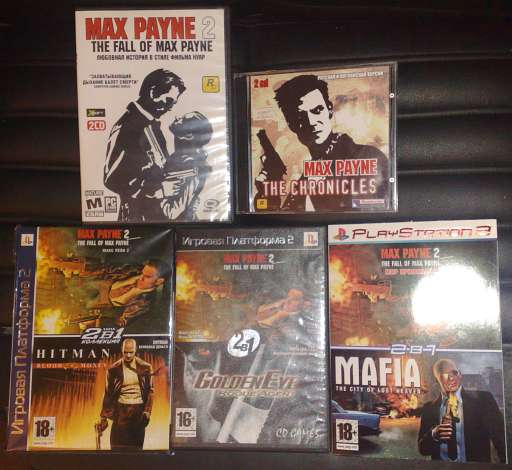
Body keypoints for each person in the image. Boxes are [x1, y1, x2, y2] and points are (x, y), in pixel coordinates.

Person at [256, 74, 389, 211]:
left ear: (329, 110)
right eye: (300, 116)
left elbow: (371, 210)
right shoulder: (306, 176)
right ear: (291, 124)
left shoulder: (367, 156)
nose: (311, 121)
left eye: (317, 110)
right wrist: (267, 192)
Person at [104, 68, 186, 221]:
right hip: (137, 218)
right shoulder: (128, 125)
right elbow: (112, 179)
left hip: (154, 215)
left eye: (173, 103)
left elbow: (158, 165)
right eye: (168, 101)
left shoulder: (152, 124)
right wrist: (155, 186)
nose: (170, 108)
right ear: (153, 92)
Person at [417, 358, 506, 463]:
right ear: (436, 381)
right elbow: (423, 450)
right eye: (444, 375)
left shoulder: (483, 400)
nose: (451, 378)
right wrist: (433, 435)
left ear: (460, 374)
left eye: (454, 373)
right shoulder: (429, 408)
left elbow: (501, 440)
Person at [97, 338, 153, 450]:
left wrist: (147, 411)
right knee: (116, 448)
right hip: (121, 411)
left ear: (135, 350)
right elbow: (108, 393)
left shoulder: (146, 367)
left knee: (136, 449)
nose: (128, 355)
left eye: (131, 352)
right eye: (125, 352)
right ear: (121, 350)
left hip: (138, 411)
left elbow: (150, 391)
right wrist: (103, 418)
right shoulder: (113, 369)